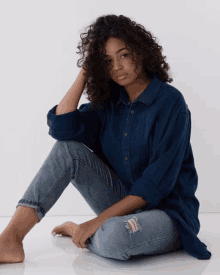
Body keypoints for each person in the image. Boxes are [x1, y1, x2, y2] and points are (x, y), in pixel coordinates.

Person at [0, 14, 211, 264]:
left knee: (115, 239)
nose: (117, 67)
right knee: (68, 150)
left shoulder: (170, 102)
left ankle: (82, 231)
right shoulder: (109, 105)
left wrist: (96, 221)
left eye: (123, 55)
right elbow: (62, 128)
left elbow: (156, 185)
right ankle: (10, 238)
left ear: (140, 53)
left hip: (168, 214)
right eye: (107, 61)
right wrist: (86, 70)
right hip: (122, 205)